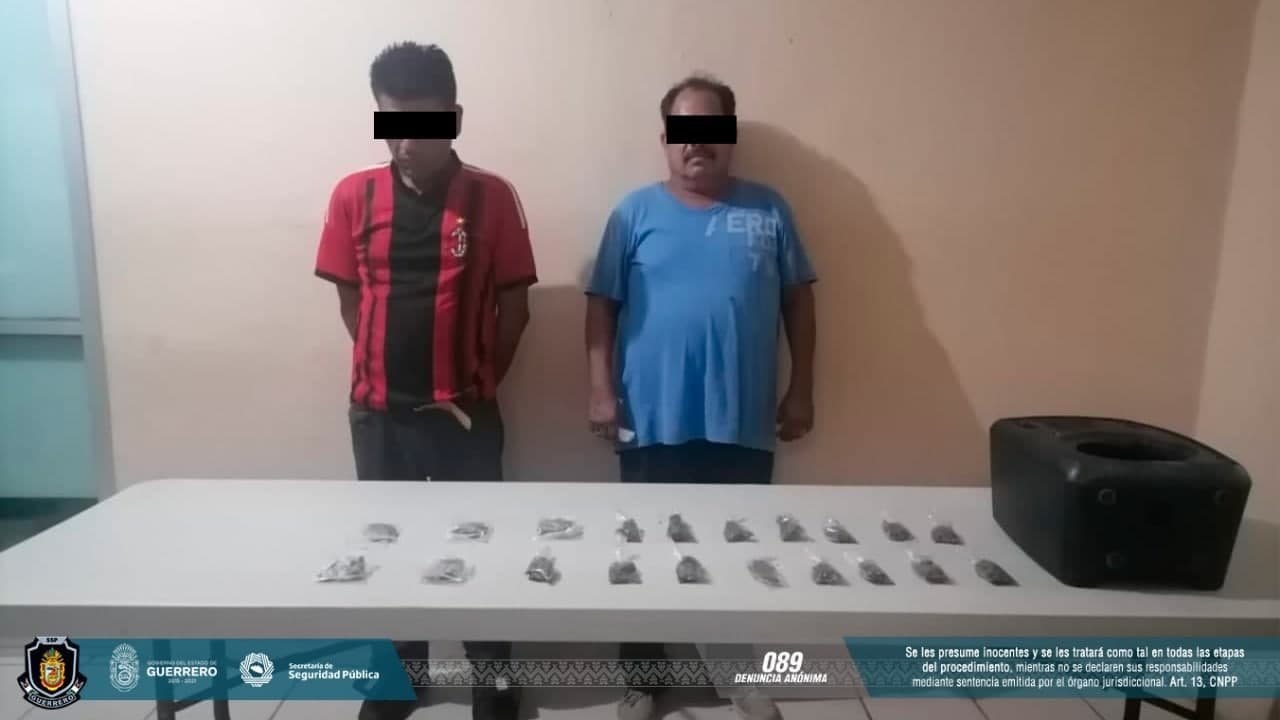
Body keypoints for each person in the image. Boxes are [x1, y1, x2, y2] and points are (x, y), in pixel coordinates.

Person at [584, 74, 817, 720]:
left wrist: (802, 388)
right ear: (665, 140)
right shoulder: (633, 213)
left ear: (729, 136)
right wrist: (600, 389)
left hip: (741, 419)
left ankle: (738, 675)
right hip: (649, 418)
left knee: (738, 549)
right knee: (643, 550)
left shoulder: (769, 210)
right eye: (683, 131)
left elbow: (800, 302)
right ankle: (643, 679)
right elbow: (601, 307)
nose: (696, 144)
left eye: (710, 129)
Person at [314, 41, 536, 720]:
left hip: (466, 417)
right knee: (387, 548)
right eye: (393, 124)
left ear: (454, 118)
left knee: (479, 547)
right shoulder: (353, 196)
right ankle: (399, 679)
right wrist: (389, 372)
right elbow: (351, 302)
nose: (406, 143)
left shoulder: (492, 198)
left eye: (423, 124)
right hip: (379, 417)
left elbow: (516, 309)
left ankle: (492, 681)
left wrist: (479, 383)